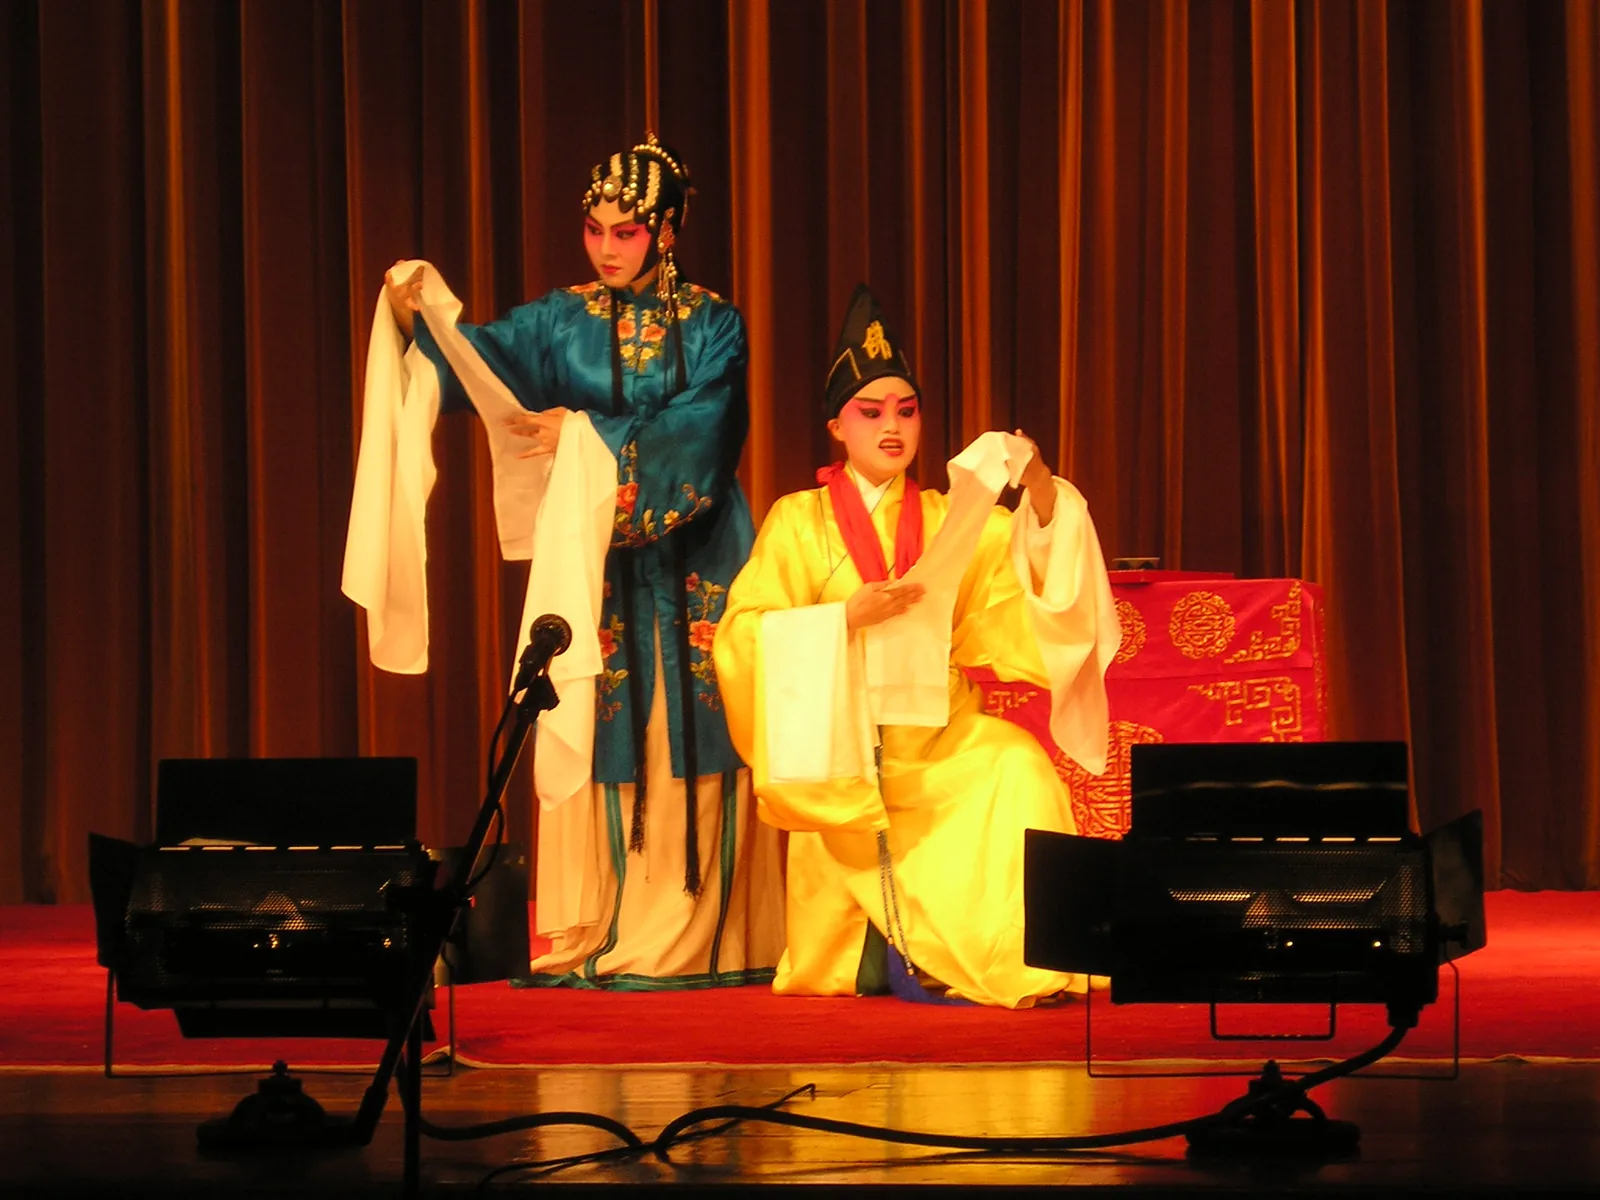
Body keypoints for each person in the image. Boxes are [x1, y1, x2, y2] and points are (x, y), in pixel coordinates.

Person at [360, 133, 784, 990]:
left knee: (692, 725)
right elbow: (476, 360)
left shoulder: (714, 323)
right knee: (597, 716)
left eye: (626, 232)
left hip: (697, 551)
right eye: (594, 230)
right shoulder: (563, 320)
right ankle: (605, 920)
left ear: (667, 231)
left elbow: (705, 433)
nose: (605, 248)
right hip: (594, 558)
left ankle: (704, 932)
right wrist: (416, 319)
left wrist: (583, 434)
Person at [711, 284, 1120, 1008]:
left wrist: (1039, 488)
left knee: (1019, 765)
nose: (892, 427)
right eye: (870, 413)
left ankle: (1034, 954)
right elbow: (742, 633)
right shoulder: (797, 521)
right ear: (837, 427)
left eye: (906, 411)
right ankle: (896, 952)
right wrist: (841, 619)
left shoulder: (949, 518)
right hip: (844, 753)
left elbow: (1035, 575)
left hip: (939, 740)